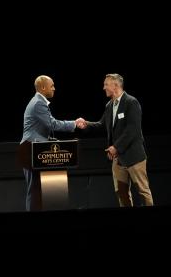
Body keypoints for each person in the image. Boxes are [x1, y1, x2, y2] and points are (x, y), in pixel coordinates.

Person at [83, 73, 152, 206]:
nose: (104, 88)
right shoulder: (109, 105)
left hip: (134, 156)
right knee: (121, 192)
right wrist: (86, 124)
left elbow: (132, 130)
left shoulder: (131, 102)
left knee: (143, 191)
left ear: (115, 85)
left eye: (106, 84)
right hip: (118, 159)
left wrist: (116, 147)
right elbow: (102, 124)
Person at [20, 75, 87, 211]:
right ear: (43, 87)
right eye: (52, 86)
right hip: (30, 150)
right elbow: (52, 124)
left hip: (32, 148)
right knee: (34, 190)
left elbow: (41, 128)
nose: (54, 88)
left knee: (37, 190)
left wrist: (51, 140)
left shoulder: (38, 101)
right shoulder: (38, 103)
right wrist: (74, 123)